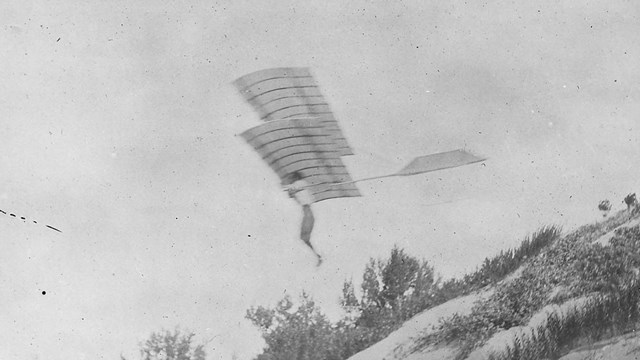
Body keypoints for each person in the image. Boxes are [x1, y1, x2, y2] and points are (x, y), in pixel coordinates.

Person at [283, 171, 322, 265]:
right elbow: (291, 194)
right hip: (307, 214)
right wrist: (289, 190)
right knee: (303, 238)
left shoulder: (301, 183)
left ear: (296, 177)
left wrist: (287, 187)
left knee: (304, 237)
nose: (291, 179)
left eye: (292, 177)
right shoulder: (298, 186)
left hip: (308, 214)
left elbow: (292, 189)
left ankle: (318, 256)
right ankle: (317, 256)